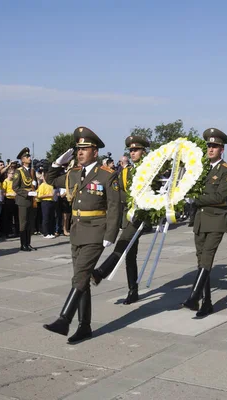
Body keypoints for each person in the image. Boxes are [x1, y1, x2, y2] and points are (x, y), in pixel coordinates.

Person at [43, 127, 120, 343]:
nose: (80, 152)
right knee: (83, 279)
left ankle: (64, 319)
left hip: (96, 231)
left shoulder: (107, 175)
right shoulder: (74, 173)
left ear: (95, 152)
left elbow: (115, 206)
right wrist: (58, 163)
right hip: (77, 231)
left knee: (81, 275)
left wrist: (110, 234)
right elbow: (51, 180)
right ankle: (84, 326)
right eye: (78, 149)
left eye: (85, 149)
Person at [91, 135, 151, 304]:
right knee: (130, 255)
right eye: (131, 150)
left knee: (123, 244)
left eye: (136, 150)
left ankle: (100, 272)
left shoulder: (150, 171)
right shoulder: (125, 172)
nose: (133, 153)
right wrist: (130, 198)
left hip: (140, 217)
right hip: (127, 216)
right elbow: (117, 193)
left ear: (143, 152)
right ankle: (133, 290)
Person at [180, 128, 227, 318]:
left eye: (215, 146)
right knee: (201, 261)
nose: (210, 149)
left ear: (222, 149)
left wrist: (196, 199)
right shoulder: (200, 169)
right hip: (200, 220)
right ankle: (207, 302)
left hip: (216, 220)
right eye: (209, 146)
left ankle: (194, 297)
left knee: (207, 257)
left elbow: (220, 196)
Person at [12, 147, 38, 251]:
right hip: (23, 200)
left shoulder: (32, 171)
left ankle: (28, 243)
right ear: (22, 160)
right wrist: (27, 193)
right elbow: (15, 187)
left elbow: (33, 184)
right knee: (23, 223)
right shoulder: (19, 171)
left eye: (29, 156)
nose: (29, 158)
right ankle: (23, 244)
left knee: (30, 223)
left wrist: (35, 186)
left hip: (32, 200)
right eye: (27, 157)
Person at [37, 174, 56, 238]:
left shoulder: (51, 185)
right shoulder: (43, 185)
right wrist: (49, 195)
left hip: (51, 201)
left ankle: (50, 232)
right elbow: (39, 196)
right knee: (46, 218)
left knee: (51, 218)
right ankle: (45, 233)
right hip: (45, 202)